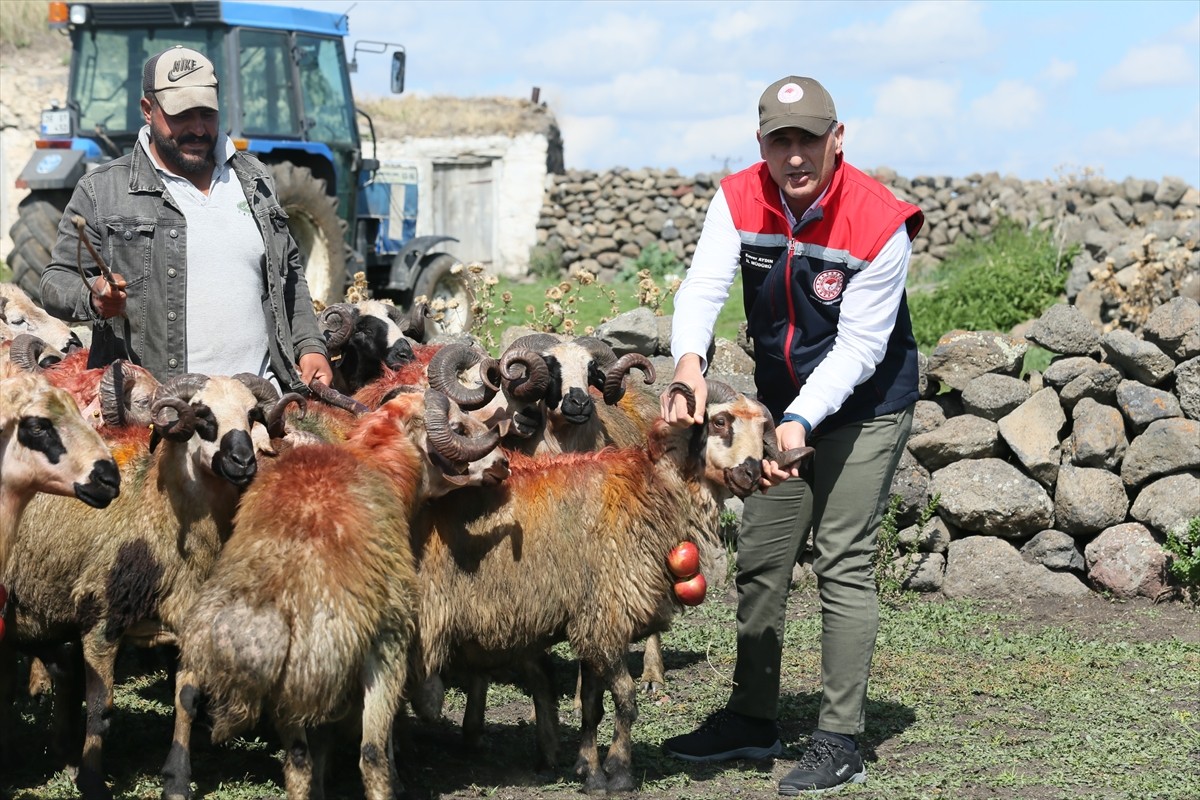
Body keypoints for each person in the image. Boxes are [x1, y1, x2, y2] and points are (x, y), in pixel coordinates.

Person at [659, 76, 923, 795]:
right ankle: (752, 718)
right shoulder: (738, 196)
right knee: (763, 558)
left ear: (839, 140)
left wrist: (802, 422)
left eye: (811, 138)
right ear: (763, 146)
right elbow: (703, 288)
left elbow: (861, 348)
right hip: (780, 411)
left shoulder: (880, 221)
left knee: (841, 557)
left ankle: (839, 739)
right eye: (783, 140)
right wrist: (689, 364)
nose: (797, 155)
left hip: (865, 404)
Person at [41, 46, 332, 392]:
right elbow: (55, 281)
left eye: (207, 114)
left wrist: (310, 346)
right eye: (182, 115)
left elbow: (289, 275)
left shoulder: (255, 179)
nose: (198, 128)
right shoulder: (101, 190)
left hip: (259, 403)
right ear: (148, 110)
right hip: (159, 410)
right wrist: (94, 296)